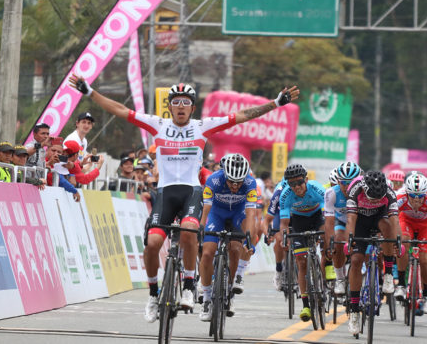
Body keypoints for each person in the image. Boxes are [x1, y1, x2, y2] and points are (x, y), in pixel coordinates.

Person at [68, 75, 298, 322]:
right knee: (153, 244)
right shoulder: (157, 124)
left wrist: (275, 102)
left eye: (185, 102)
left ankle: (189, 284)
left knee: (189, 231)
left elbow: (242, 115)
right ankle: (154, 295)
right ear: (169, 106)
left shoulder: (202, 126)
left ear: (192, 107)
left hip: (191, 191)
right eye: (175, 102)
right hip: (166, 192)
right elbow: (122, 110)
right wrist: (90, 91)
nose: (180, 106)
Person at [198, 154, 256, 321]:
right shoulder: (213, 180)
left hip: (238, 214)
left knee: (236, 249)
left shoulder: (250, 183)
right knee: (207, 253)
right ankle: (207, 299)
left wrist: (249, 238)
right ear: (225, 175)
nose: (235, 186)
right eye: (231, 182)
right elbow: (206, 208)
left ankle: (229, 292)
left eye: (239, 182)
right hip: (217, 214)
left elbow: (251, 214)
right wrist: (202, 227)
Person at [345, 170, 400, 335]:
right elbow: (350, 219)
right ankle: (354, 311)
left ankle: (388, 273)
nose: (375, 200)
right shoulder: (355, 188)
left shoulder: (390, 191)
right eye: (372, 197)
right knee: (356, 261)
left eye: (378, 198)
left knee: (387, 226)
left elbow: (395, 220)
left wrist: (399, 241)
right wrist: (349, 239)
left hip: (379, 217)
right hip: (360, 220)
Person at [394, 173, 427, 315]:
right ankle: (400, 284)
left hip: (425, 224)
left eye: (420, 197)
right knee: (403, 243)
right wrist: (395, 242)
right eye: (413, 197)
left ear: (425, 194)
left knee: (425, 259)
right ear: (407, 193)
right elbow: (391, 222)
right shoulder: (399, 197)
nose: (417, 201)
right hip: (406, 221)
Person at [278, 163, 326, 322]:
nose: (296, 186)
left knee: (327, 236)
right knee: (301, 262)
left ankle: (329, 265)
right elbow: (284, 224)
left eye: (299, 182)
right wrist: (284, 238)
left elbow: (328, 214)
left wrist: (327, 238)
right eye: (292, 184)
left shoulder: (316, 188)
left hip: (317, 216)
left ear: (306, 180)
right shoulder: (285, 195)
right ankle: (306, 305)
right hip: (299, 220)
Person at [324, 161, 363, 296]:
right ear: (338, 181)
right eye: (343, 183)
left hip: (360, 222)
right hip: (341, 221)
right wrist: (330, 244)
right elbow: (328, 223)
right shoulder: (331, 193)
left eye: (350, 183)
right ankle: (340, 278)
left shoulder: (363, 193)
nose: (346, 187)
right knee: (338, 241)